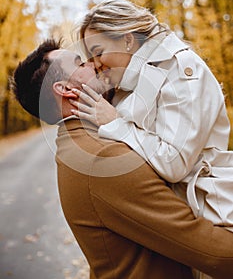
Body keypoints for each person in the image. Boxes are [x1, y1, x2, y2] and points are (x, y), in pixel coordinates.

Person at [12, 39, 233, 279]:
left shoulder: (87, 142)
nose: (95, 64)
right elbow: (220, 256)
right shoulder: (101, 158)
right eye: (81, 63)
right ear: (66, 89)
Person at [72, 0, 233, 235]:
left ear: (127, 40)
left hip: (212, 214)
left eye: (98, 52)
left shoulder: (180, 69)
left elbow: (174, 163)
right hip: (174, 217)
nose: (95, 64)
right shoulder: (129, 82)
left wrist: (116, 123)